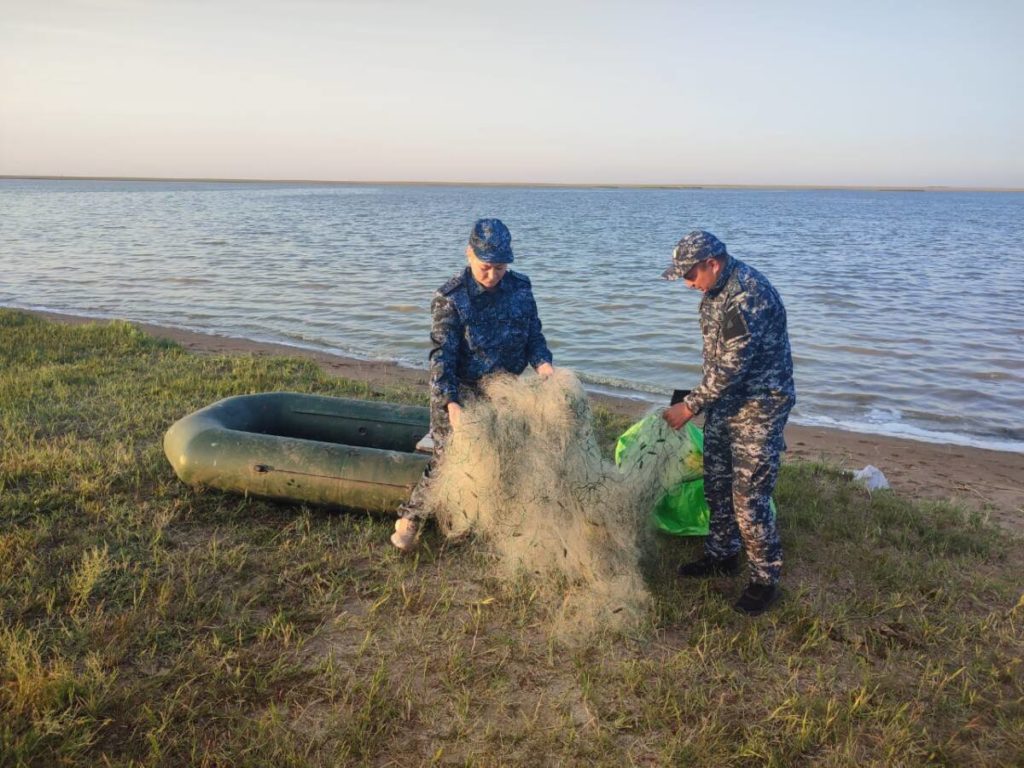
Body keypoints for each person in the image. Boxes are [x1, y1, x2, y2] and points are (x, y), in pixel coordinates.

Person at [390, 218, 554, 551]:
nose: (493, 275)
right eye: (485, 267)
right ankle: (410, 518)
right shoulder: (451, 297)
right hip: (459, 387)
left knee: (513, 447)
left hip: (505, 387)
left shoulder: (521, 289)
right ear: (469, 254)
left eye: (500, 268)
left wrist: (544, 366)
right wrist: (450, 403)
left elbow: (534, 337)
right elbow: (442, 356)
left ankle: (500, 515)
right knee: (447, 454)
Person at [660, 230, 795, 615]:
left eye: (690, 275)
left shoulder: (748, 295)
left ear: (712, 264)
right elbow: (718, 362)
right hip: (725, 401)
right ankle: (722, 554)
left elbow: (734, 365)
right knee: (716, 482)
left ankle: (765, 579)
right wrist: (699, 396)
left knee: (748, 498)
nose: (687, 283)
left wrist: (690, 406)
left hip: (760, 405)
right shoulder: (714, 291)